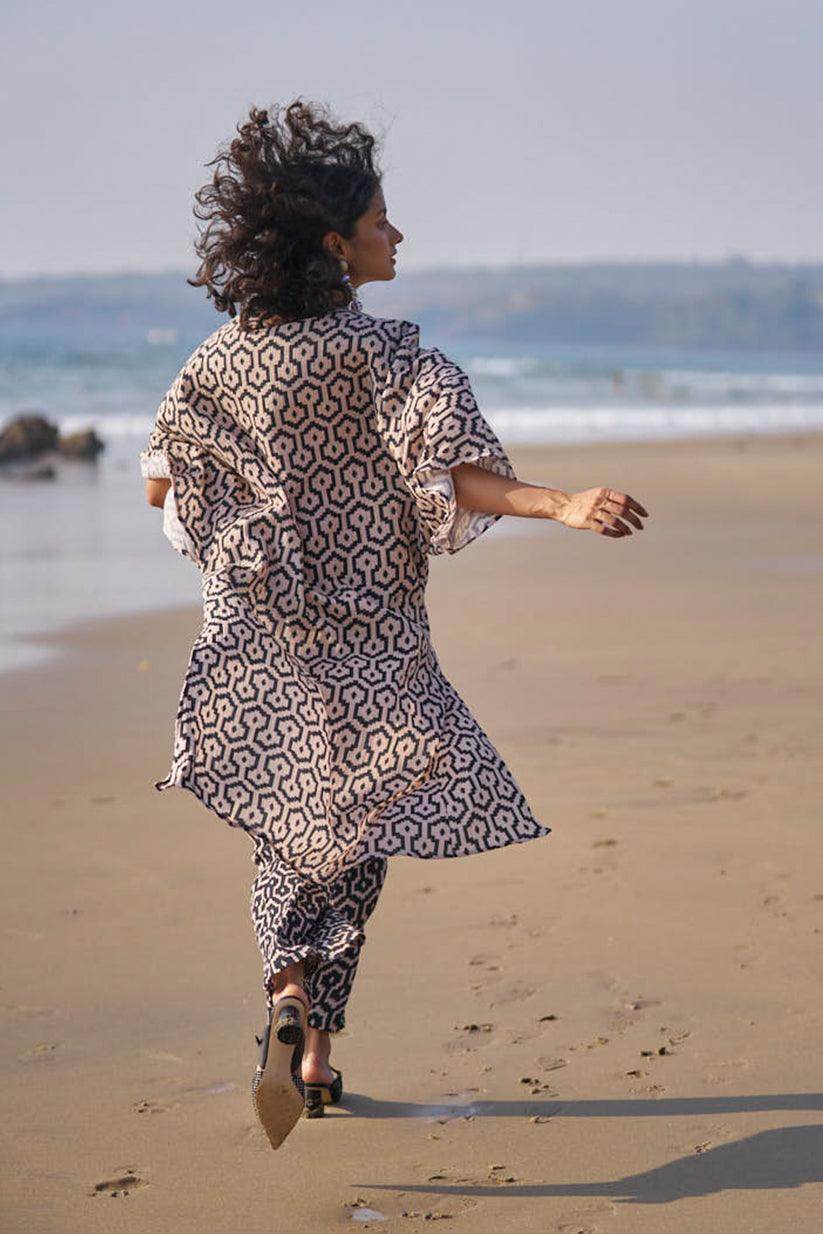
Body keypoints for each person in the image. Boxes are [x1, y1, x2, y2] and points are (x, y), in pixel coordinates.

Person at [141, 98, 650, 1150]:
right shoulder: (391, 355)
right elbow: (458, 474)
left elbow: (164, 486)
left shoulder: (216, 360)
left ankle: (291, 997)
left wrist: (265, 504)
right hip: (373, 635)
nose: (398, 233)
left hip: (260, 628)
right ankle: (314, 1045)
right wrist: (560, 503)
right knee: (361, 829)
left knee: (293, 824)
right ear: (335, 244)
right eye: (381, 220)